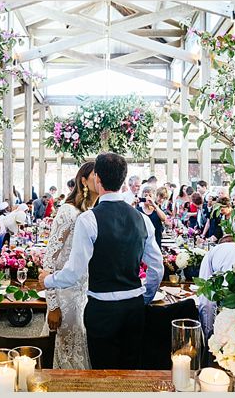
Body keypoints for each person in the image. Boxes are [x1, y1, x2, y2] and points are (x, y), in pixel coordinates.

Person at [38, 153, 163, 370]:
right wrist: (145, 297)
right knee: (130, 369)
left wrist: (47, 280)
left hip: (102, 309)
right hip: (134, 307)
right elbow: (157, 268)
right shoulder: (142, 218)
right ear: (123, 180)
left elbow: (74, 272)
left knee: (102, 371)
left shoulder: (89, 219)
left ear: (97, 178)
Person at [41, 162, 98, 369]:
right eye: (95, 176)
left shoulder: (92, 212)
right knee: (68, 356)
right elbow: (49, 260)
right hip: (65, 294)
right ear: (83, 180)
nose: (99, 180)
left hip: (84, 293)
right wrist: (53, 305)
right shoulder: (68, 211)